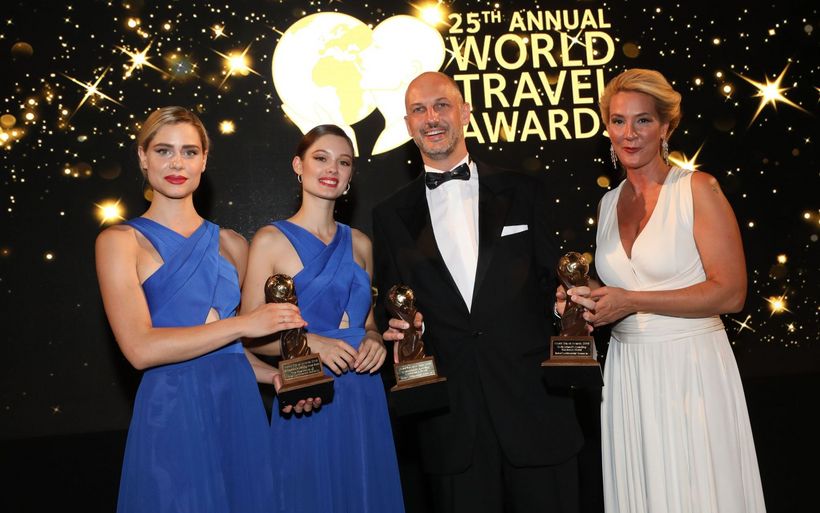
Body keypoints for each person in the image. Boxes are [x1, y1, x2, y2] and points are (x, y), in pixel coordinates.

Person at [374, 71, 583, 513]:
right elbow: (391, 301)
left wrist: (566, 306)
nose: (431, 118)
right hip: (452, 422)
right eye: (418, 110)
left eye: (442, 105)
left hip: (533, 405)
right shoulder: (389, 214)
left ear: (465, 113)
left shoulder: (524, 190)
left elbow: (555, 284)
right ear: (408, 125)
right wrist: (395, 327)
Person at [559, 68, 766, 512]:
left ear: (666, 127)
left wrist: (631, 302)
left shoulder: (697, 189)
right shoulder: (608, 202)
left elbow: (731, 293)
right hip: (629, 371)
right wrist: (583, 297)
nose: (629, 133)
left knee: (698, 490)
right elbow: (623, 286)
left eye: (643, 121)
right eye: (618, 121)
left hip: (691, 366)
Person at [95, 106, 314, 513]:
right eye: (163, 151)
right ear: (143, 157)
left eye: (189, 152)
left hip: (239, 408)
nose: (177, 163)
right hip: (171, 412)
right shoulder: (120, 241)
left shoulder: (233, 244)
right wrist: (244, 324)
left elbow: (230, 352)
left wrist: (275, 375)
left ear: (204, 160)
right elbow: (140, 349)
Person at [240, 124, 405, 513]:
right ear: (298, 166)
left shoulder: (361, 243)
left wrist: (374, 339)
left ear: (350, 176)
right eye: (321, 158)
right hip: (308, 392)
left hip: (364, 395)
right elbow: (249, 336)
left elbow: (365, 323)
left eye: (343, 162)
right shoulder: (269, 240)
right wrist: (310, 343)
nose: (332, 168)